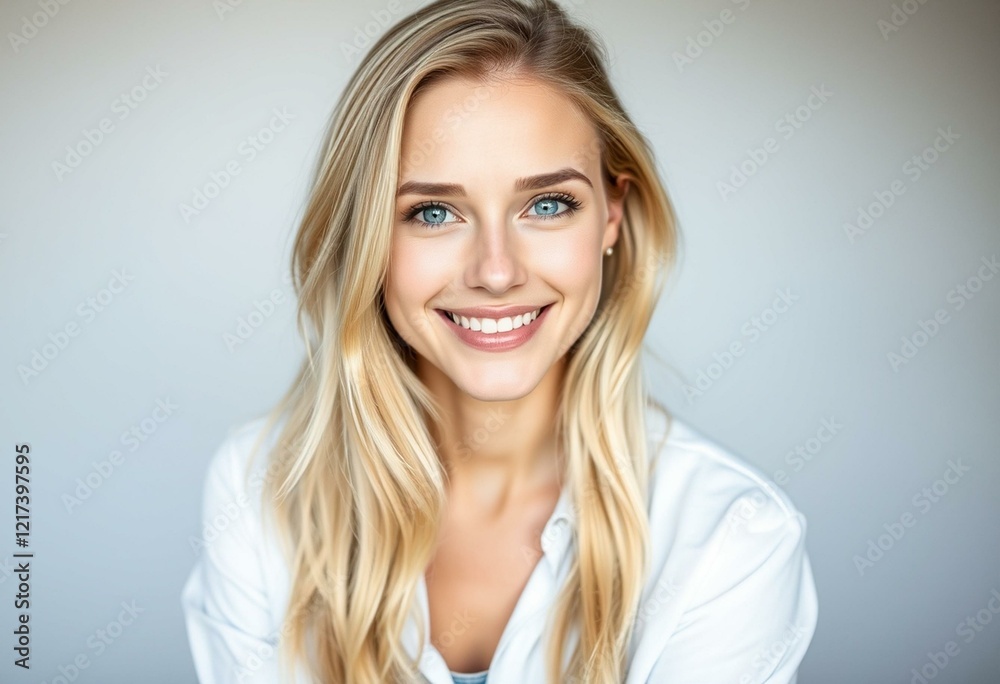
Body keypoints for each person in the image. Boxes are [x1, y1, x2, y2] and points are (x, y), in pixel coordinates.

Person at [180, 0, 818, 682]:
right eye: (433, 212)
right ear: (364, 236)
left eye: (546, 206)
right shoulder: (259, 489)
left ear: (611, 215)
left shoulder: (734, 539)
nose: (495, 271)